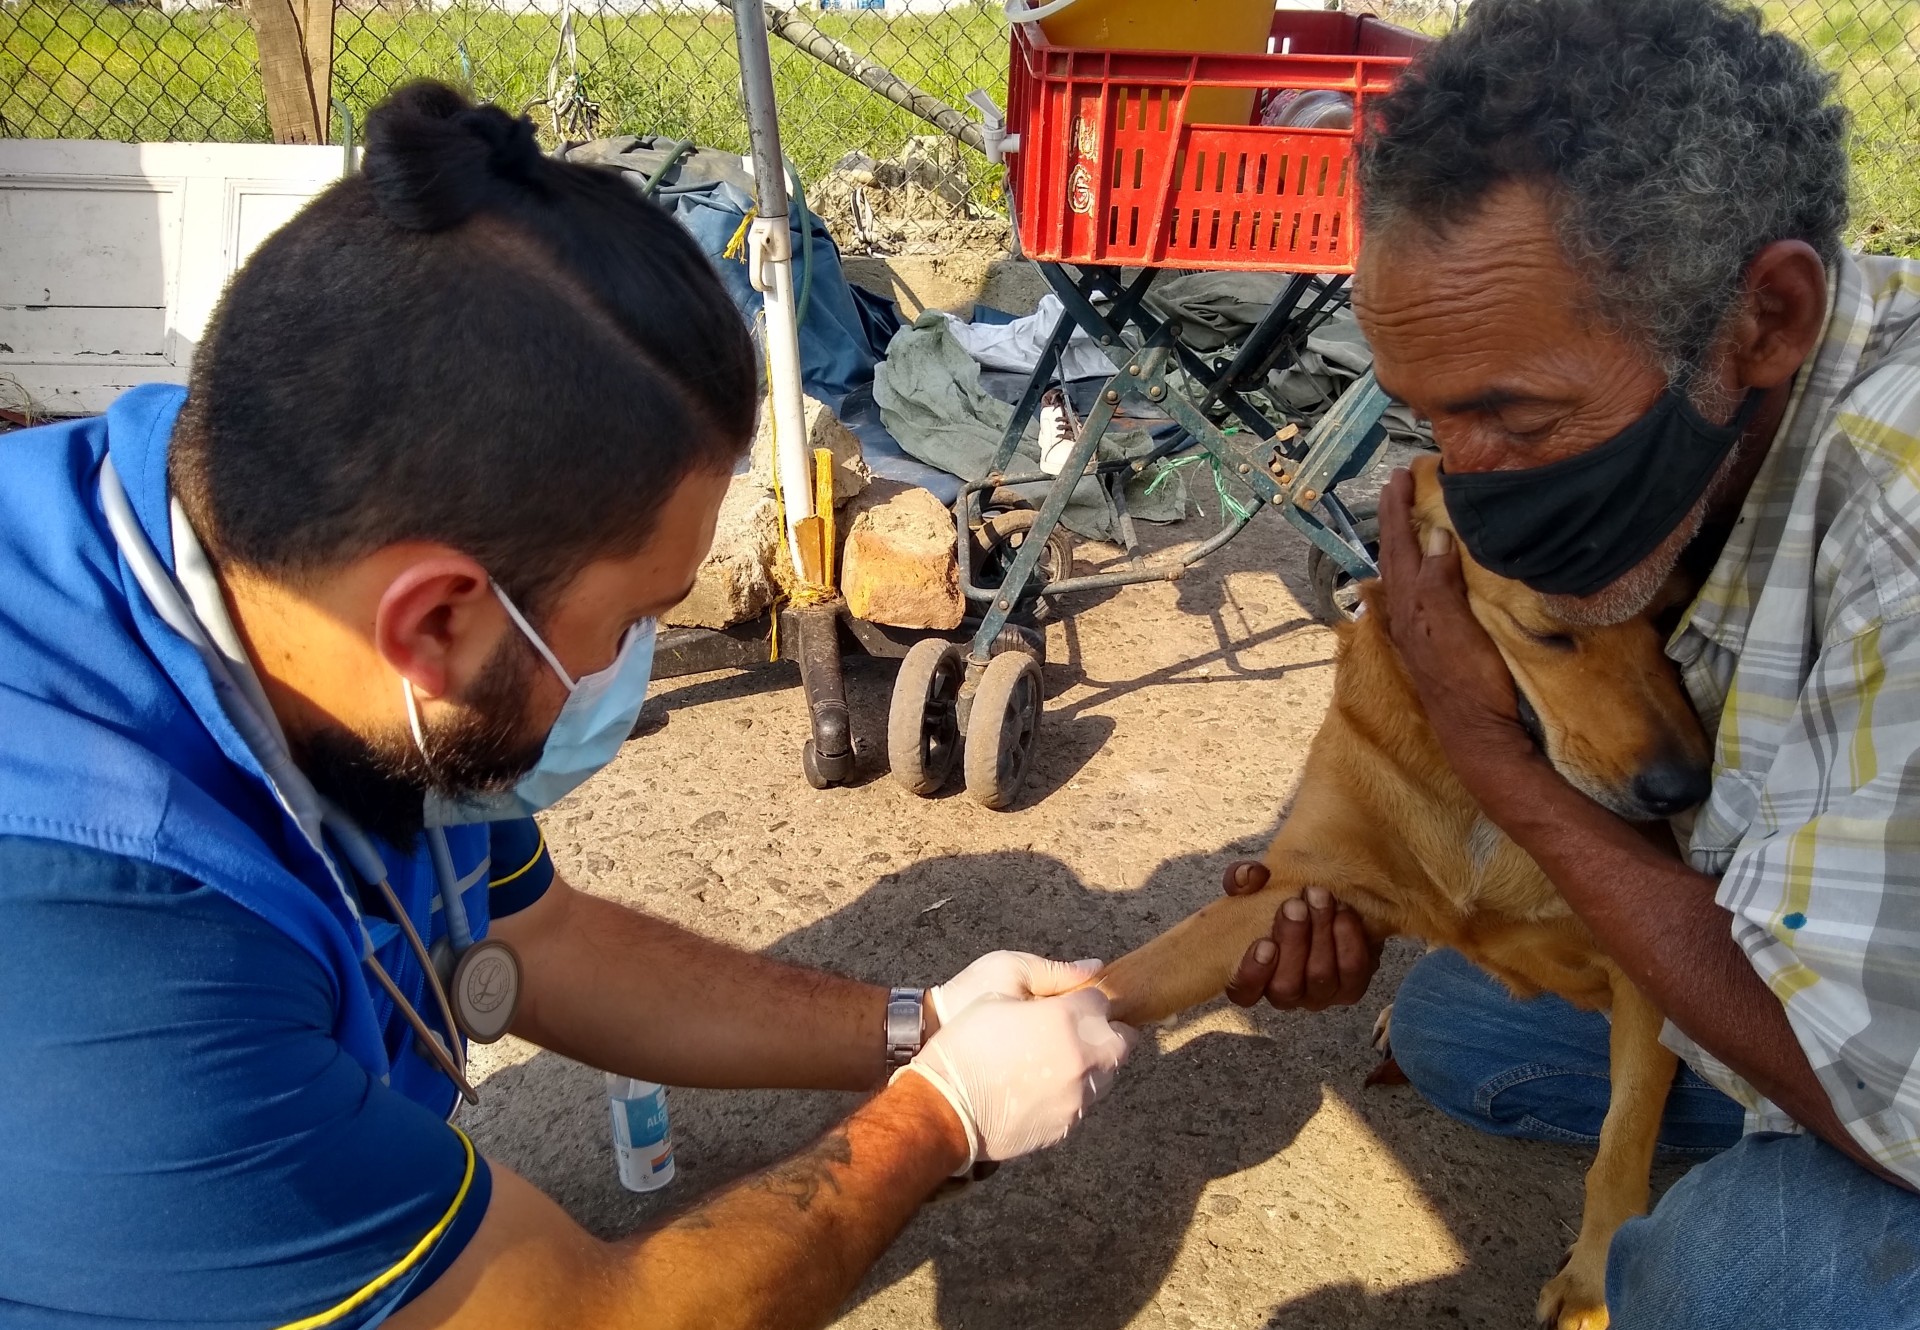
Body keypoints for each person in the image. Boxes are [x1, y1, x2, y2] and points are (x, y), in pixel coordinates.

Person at [0, 82, 1136, 1329]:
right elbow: (596, 1316)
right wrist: (940, 1120)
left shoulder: (268, 523)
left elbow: (537, 941)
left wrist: (919, 1026)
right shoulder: (107, 967)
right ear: (434, 624)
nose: (630, 662)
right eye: (634, 617)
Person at [1223, 0, 1920, 1323]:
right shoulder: (1731, 422)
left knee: (1727, 1276)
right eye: (1433, 420)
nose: (1471, 487)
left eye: (1518, 417)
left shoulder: (1901, 535)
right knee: (1458, 1032)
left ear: (1766, 318)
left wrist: (1491, 751)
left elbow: (1892, 1089)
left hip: (1902, 1073)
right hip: (1856, 964)